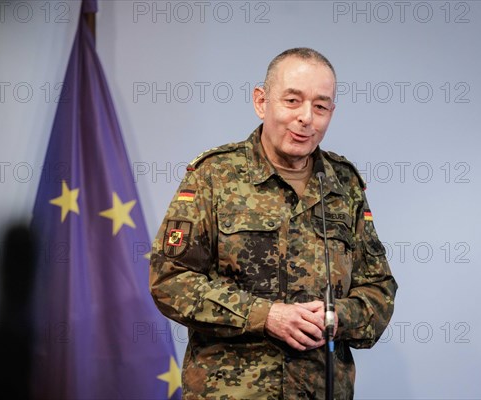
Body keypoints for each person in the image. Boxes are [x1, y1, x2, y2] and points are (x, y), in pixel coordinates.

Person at [150, 47, 397, 399]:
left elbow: (379, 290)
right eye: (292, 101)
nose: (306, 118)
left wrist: (336, 316)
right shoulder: (214, 176)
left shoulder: (345, 186)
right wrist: (264, 315)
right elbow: (169, 280)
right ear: (261, 101)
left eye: (321, 106)